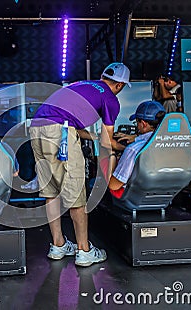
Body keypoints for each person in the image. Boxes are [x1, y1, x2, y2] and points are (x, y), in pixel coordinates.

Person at [29, 62, 131, 267]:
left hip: (36, 128)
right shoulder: (110, 98)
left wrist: (92, 136)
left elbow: (69, 122)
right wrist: (126, 146)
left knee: (51, 191)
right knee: (76, 192)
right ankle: (84, 251)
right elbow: (106, 142)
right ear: (119, 85)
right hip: (60, 133)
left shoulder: (82, 85)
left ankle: (58, 245)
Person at [108, 101, 166, 196]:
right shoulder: (170, 144)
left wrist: (112, 156)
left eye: (136, 123)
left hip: (133, 197)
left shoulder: (133, 149)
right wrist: (136, 138)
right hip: (162, 193)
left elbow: (114, 186)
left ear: (143, 124)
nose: (137, 126)